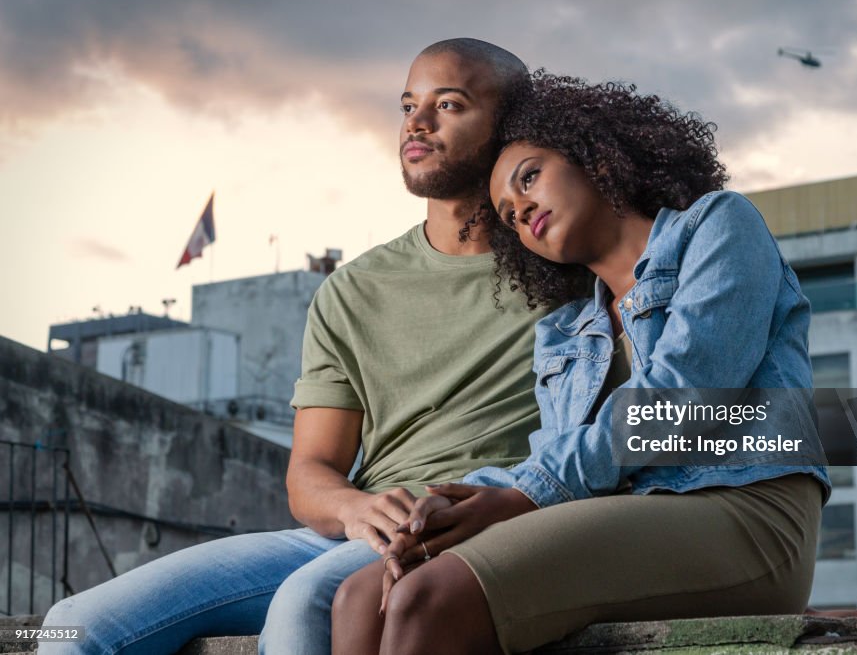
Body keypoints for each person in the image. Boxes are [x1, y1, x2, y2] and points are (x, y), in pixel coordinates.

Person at [39, 38, 547, 655]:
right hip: (355, 532)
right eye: (409, 104)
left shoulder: (566, 267)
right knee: (74, 624)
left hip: (476, 526)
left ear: (513, 124)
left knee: (304, 605)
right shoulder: (354, 288)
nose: (416, 122)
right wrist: (356, 509)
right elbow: (309, 476)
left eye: (448, 104)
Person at [331, 72, 833, 655]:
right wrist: (442, 511)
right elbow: (554, 457)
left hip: (747, 513)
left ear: (595, 158)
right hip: (624, 523)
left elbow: (684, 397)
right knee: (362, 597)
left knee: (427, 597)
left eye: (530, 176)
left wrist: (523, 497)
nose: (521, 209)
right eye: (508, 215)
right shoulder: (566, 332)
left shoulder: (718, 225)